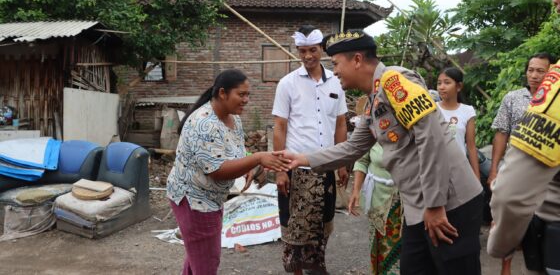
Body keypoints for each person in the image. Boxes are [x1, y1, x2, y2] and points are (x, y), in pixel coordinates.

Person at [276, 29, 483, 275]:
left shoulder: (395, 81)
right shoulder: (374, 98)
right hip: (420, 206)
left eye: (337, 64)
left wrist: (436, 205)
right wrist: (304, 159)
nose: (336, 71)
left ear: (357, 60)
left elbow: (431, 138)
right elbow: (354, 147)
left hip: (449, 202)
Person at [166, 69, 290, 275]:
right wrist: (257, 158)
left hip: (210, 199)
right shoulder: (204, 123)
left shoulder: (233, 118)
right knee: (206, 263)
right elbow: (216, 170)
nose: (246, 100)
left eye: (248, 94)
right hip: (195, 201)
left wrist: (248, 165)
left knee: (197, 256)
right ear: (222, 93)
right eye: (241, 94)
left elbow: (234, 152)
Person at [487, 0, 560, 275]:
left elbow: (511, 196)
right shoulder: (513, 97)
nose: (555, 0)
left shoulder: (556, 86)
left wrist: (498, 243)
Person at [272, 25, 348, 275]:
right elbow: (280, 127)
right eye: (302, 51)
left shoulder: (337, 83)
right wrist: (280, 170)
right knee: (294, 227)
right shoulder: (287, 84)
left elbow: (340, 125)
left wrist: (342, 164)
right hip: (295, 169)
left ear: (321, 50)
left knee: (322, 225)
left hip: (324, 167)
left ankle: (317, 268)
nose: (307, 56)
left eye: (312, 50)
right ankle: (296, 271)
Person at [486, 52, 553, 275]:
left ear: (551, 73)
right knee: (506, 220)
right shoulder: (513, 98)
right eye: (531, 70)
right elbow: (501, 134)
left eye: (540, 71)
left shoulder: (554, 101)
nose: (534, 75)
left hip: (546, 175)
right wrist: (495, 169)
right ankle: (506, 267)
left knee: (537, 227)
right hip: (513, 169)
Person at [349, 143, 401, 274]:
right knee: (379, 248)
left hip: (408, 199)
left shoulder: (415, 125)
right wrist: (356, 190)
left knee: (406, 251)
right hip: (378, 199)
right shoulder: (372, 125)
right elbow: (362, 160)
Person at [436, 67, 480, 179]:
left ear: (459, 86)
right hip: (436, 170)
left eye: (447, 83)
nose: (441, 87)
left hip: (460, 170)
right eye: (439, 83)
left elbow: (471, 146)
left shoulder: (467, 111)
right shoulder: (432, 109)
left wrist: (476, 177)